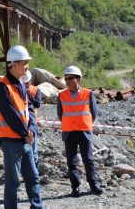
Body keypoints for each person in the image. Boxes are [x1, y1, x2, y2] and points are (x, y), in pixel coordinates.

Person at [0, 45, 43, 209]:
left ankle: (37, 207)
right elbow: (11, 115)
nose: (27, 66)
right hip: (11, 141)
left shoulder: (21, 85)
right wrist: (26, 133)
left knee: (33, 177)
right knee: (13, 181)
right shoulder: (2, 88)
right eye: (24, 63)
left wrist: (31, 130)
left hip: (23, 139)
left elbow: (28, 111)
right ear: (14, 64)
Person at [57, 65, 104, 197]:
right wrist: (69, 123)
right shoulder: (61, 95)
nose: (67, 81)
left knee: (88, 160)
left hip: (84, 131)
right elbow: (60, 114)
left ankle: (93, 185)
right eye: (66, 78)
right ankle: (75, 187)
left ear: (78, 79)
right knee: (71, 162)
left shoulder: (88, 94)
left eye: (70, 78)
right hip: (69, 132)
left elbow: (93, 113)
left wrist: (85, 123)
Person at [20, 70, 42, 169]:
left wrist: (29, 96)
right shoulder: (19, 90)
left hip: (32, 122)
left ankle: (35, 172)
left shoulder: (36, 90)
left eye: (27, 82)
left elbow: (37, 104)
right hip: (22, 122)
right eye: (24, 83)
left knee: (33, 150)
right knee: (23, 149)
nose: (26, 84)